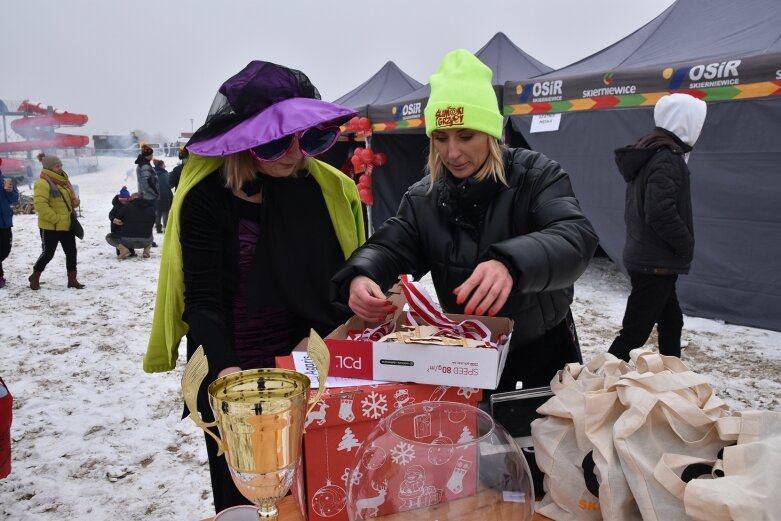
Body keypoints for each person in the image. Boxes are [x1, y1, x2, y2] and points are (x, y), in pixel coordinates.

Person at [143, 60, 365, 513]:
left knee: (317, 484)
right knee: (247, 494)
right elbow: (202, 301)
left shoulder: (316, 190)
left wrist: (318, 338)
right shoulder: (205, 202)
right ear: (242, 141)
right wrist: (227, 377)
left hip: (306, 363)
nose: (295, 154)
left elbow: (330, 280)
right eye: (277, 140)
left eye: (311, 138)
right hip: (234, 365)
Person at [331, 49, 599, 392]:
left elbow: (574, 237)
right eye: (440, 138)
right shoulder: (422, 197)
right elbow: (391, 245)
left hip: (541, 344)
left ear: (491, 132)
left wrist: (511, 263)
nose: (452, 152)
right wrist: (362, 274)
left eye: (466, 136)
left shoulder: (536, 175)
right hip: (465, 350)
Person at [608, 93, 707, 362]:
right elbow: (660, 212)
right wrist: (685, 243)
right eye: (697, 120)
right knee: (634, 333)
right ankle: (595, 382)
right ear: (686, 122)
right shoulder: (666, 158)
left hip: (652, 258)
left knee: (671, 322)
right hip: (655, 261)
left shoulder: (653, 153)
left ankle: (671, 378)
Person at [29, 153, 85, 290]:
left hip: (67, 224)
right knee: (48, 253)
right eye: (57, 166)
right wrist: (56, 219)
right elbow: (41, 206)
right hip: (51, 226)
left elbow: (67, 202)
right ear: (49, 168)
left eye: (61, 165)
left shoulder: (64, 182)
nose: (60, 168)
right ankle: (35, 276)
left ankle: (72, 280)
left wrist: (75, 202)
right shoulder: (41, 183)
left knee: (71, 252)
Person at [106, 191, 155, 259]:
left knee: (109, 237)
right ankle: (146, 249)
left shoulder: (126, 207)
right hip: (145, 241)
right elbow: (152, 223)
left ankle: (124, 249)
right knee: (150, 233)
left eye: (130, 198)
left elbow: (116, 218)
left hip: (127, 241)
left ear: (135, 198)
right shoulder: (151, 208)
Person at [0, 161, 20, 288]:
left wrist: (9, 191)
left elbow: (14, 199)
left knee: (5, 249)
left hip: (5, 221)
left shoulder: (4, 180)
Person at [152, 159, 172, 233]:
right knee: (165, 211)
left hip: (155, 196)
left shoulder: (152, 173)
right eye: (164, 165)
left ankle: (158, 228)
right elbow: (168, 185)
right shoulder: (164, 174)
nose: (165, 166)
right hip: (164, 195)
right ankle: (165, 228)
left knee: (157, 212)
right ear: (161, 165)